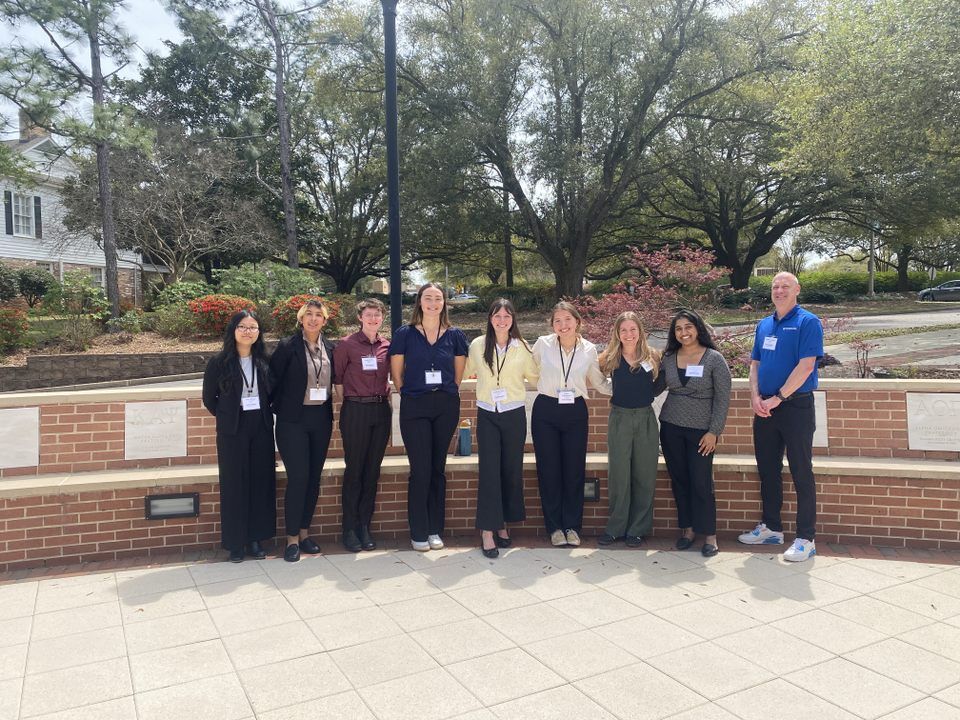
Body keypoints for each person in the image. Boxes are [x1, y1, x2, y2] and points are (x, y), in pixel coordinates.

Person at [738, 272, 823, 562]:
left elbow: (806, 366)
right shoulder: (764, 324)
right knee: (768, 469)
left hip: (795, 406)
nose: (779, 290)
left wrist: (779, 397)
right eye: (775, 286)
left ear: (797, 289)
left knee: (801, 471)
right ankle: (772, 528)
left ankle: (805, 538)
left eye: (785, 286)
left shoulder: (807, 322)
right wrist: (755, 397)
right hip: (765, 408)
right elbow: (755, 364)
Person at [389, 283, 468, 552]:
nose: (433, 303)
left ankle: (435, 529)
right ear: (419, 302)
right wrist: (410, 394)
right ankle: (419, 530)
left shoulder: (456, 335)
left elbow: (458, 376)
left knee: (437, 469)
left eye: (438, 298)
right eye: (427, 298)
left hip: (445, 405)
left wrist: (444, 393)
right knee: (420, 470)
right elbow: (397, 373)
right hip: (415, 406)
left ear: (444, 302)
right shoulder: (405, 333)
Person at [531, 301, 610, 547]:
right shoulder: (542, 344)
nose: (563, 325)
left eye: (567, 320)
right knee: (549, 471)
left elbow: (598, 382)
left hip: (575, 411)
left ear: (577, 322)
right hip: (546, 410)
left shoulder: (588, 349)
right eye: (558, 321)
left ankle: (572, 528)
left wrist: (631, 390)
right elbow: (529, 372)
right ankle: (554, 528)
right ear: (552, 325)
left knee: (574, 471)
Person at [202, 311, 276, 563]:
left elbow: (273, 393)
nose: (248, 331)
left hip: (262, 427)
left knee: (260, 482)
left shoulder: (265, 361)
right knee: (234, 484)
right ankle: (235, 542)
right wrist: (227, 416)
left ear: (259, 333)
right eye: (243, 326)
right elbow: (208, 399)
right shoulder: (219, 363)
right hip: (233, 429)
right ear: (233, 330)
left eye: (253, 327)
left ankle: (255, 539)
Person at [466, 299, 538, 558]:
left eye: (507, 315)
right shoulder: (476, 345)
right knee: (489, 472)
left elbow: (537, 376)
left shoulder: (523, 347)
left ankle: (504, 524)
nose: (502, 320)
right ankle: (487, 530)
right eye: (497, 315)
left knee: (510, 470)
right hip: (487, 413)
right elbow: (463, 370)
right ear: (490, 318)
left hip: (514, 414)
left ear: (513, 319)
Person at [659, 309, 731, 557]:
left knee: (701, 482)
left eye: (688, 327)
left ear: (698, 328)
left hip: (702, 433)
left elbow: (723, 399)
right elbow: (653, 386)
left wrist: (714, 432)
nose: (684, 332)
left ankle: (710, 535)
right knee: (679, 481)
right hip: (670, 428)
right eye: (678, 328)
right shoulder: (668, 358)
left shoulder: (713, 359)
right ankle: (687, 530)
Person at [269, 299, 336, 562]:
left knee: (313, 479)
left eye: (318, 315)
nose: (313, 319)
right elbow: (271, 380)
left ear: (325, 320)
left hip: (320, 419)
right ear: (300, 318)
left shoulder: (331, 347)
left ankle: (305, 534)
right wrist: (281, 408)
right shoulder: (288, 346)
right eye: (308, 314)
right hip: (292, 421)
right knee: (298, 479)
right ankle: (292, 540)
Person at [597, 311, 665, 548]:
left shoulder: (653, 356)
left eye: (633, 329)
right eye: (623, 330)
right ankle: (616, 527)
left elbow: (659, 384)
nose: (629, 334)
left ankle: (638, 529)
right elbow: (594, 378)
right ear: (617, 332)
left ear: (640, 332)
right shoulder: (609, 358)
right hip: (620, 419)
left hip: (645, 418)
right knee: (619, 475)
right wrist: (612, 392)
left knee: (644, 474)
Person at [333, 299, 392, 553]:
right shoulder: (347, 345)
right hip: (355, 410)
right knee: (354, 470)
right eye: (368, 315)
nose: (373, 319)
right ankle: (349, 528)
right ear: (360, 317)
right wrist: (354, 401)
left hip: (380, 409)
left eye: (377, 315)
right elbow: (337, 381)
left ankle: (364, 527)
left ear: (382, 318)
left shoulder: (387, 346)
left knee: (372, 471)